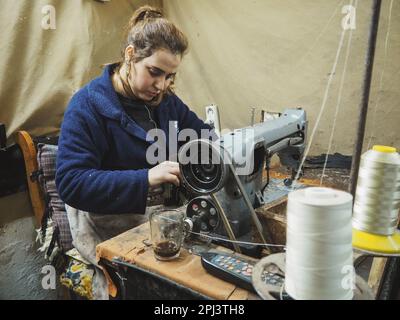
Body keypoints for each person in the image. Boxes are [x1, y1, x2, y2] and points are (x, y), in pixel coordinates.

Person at [55, 5, 213, 299]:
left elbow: (202, 135)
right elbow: (72, 183)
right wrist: (146, 177)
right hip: (110, 231)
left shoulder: (166, 101)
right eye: (154, 72)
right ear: (130, 55)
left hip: (161, 221)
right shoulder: (86, 106)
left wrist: (218, 147)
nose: (161, 85)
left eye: (169, 76)